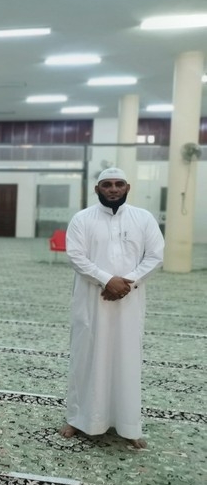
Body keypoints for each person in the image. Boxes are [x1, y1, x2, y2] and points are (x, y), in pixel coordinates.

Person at [60, 167, 164, 448]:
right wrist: (107, 280)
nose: (113, 189)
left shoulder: (143, 218)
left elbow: (155, 255)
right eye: (107, 184)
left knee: (126, 360)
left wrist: (127, 282)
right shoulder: (82, 219)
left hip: (129, 301)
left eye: (119, 184)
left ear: (128, 187)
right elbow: (76, 256)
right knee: (86, 358)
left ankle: (129, 424)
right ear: (97, 189)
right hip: (92, 302)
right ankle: (78, 418)